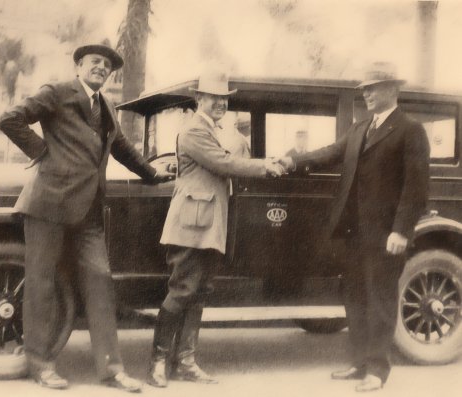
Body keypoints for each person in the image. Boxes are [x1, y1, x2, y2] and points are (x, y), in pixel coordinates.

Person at [0, 43, 173, 393]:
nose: (102, 68)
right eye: (95, 62)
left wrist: (153, 174)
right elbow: (9, 119)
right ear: (79, 66)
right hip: (48, 205)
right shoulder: (57, 92)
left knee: (100, 284)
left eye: (107, 65)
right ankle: (41, 365)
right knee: (41, 285)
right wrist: (43, 153)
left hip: (89, 211)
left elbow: (121, 148)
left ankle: (112, 370)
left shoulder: (106, 105)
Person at [280, 62, 430, 392]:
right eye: (364, 89)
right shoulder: (359, 128)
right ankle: (360, 363)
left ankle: (377, 371)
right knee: (356, 299)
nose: (367, 93)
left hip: (385, 235)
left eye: (373, 88)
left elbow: (416, 189)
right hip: (353, 234)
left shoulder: (410, 130)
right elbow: (329, 153)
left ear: (393, 89)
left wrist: (401, 231)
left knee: (380, 301)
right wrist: (293, 161)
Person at [147, 70, 285, 388]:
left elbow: (227, 160)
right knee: (182, 291)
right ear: (199, 100)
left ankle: (185, 362)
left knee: (197, 293)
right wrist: (264, 165)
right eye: (213, 98)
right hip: (191, 225)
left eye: (224, 98)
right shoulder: (195, 130)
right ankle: (157, 362)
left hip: (208, 225)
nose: (220, 103)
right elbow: (224, 164)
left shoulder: (212, 129)